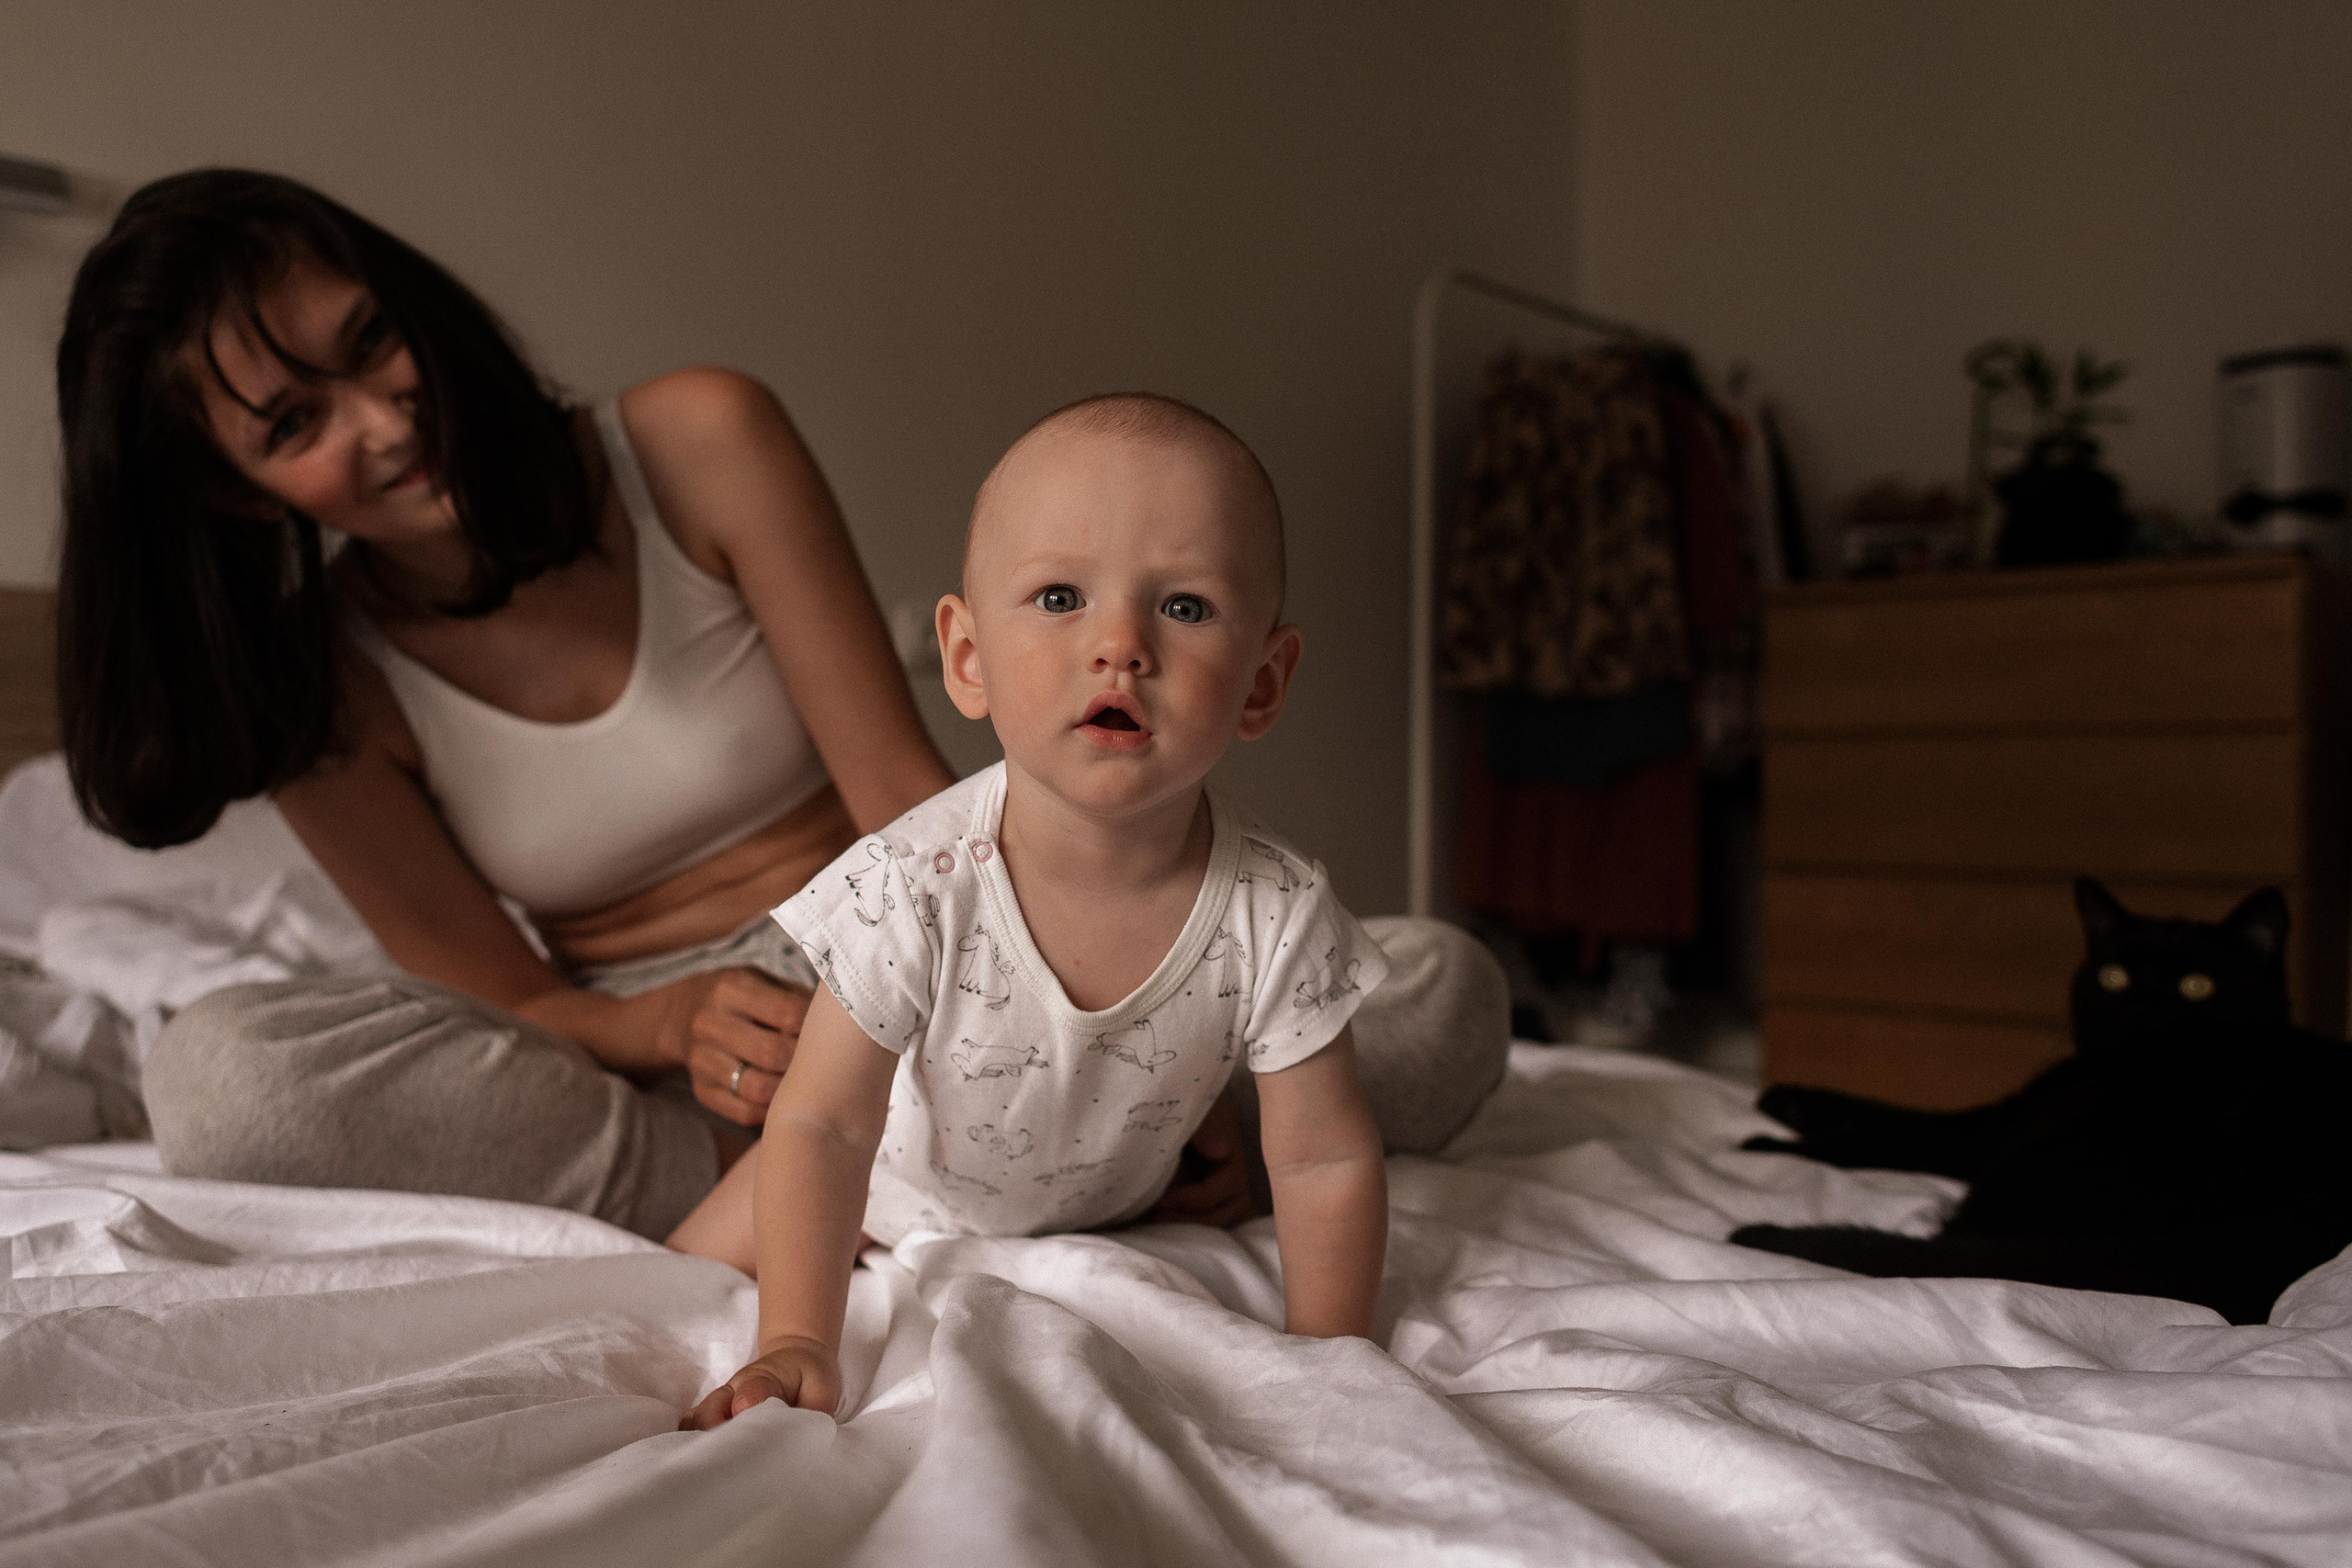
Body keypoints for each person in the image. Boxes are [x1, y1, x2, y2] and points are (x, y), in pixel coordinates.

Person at [57, 170, 1507, 1246]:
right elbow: (498, 994)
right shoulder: (311, 685)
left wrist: (1056, 1007)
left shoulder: (694, 439)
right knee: (226, 1079)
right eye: (293, 424)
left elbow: (902, 787)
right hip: (674, 1055)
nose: (386, 418)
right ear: (222, 490)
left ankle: (1090, 1143)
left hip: (927, 935)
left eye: (371, 341)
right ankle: (892, 1178)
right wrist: (674, 1020)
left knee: (1438, 987)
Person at [681, 394, 1435, 1427]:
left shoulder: (1277, 909)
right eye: (1059, 597)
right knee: (675, 1280)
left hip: (1110, 1202)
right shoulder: (910, 882)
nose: (1120, 643)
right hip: (890, 1183)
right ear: (967, 658)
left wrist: (1329, 1354)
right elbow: (821, 1123)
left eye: (1184, 607)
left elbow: (1323, 1155)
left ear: (1263, 683)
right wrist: (798, 1338)